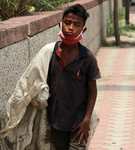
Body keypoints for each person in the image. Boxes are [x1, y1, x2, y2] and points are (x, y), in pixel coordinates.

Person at [47, 4, 101, 150]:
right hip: (56, 120)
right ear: (60, 24)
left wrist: (87, 119)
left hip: (78, 122)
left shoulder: (87, 57)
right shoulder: (50, 53)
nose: (70, 28)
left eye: (76, 25)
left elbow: (92, 90)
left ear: (83, 30)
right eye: (67, 23)